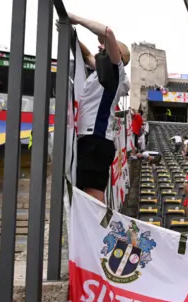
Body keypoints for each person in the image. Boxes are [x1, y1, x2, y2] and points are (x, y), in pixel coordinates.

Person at [71, 13, 130, 202]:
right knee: (83, 195)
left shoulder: (116, 71)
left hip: (96, 139)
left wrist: (76, 19)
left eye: (103, 46)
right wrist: (70, 35)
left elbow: (108, 33)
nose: (99, 46)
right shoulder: (102, 71)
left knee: (92, 198)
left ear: (116, 54)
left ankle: (96, 230)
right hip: (89, 139)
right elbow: (87, 54)